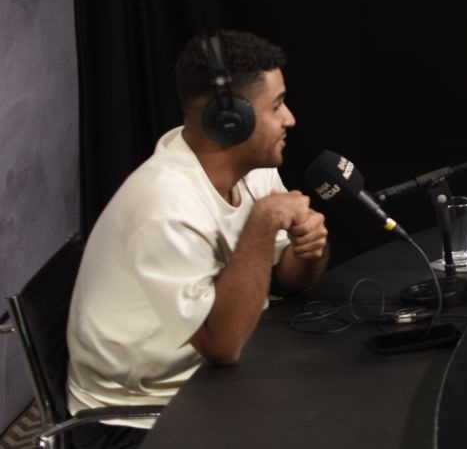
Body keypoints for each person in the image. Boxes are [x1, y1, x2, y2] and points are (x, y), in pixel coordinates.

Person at [65, 30, 329, 448]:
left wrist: (308, 247)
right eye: (276, 106)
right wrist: (263, 223)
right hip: (131, 419)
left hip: (208, 382)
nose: (290, 119)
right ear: (230, 120)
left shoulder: (254, 169)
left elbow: (291, 277)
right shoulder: (165, 204)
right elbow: (221, 346)